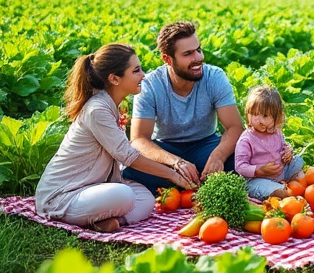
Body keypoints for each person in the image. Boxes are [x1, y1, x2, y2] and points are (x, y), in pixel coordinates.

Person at [35, 43, 194, 231]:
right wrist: (172, 174)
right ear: (114, 79)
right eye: (136, 71)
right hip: (62, 196)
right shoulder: (97, 110)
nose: (143, 75)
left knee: (146, 199)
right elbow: (128, 157)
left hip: (94, 188)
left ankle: (105, 221)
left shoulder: (112, 105)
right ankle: (90, 216)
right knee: (124, 195)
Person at [123, 21, 244, 193]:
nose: (198, 58)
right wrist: (175, 162)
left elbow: (234, 127)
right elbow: (139, 139)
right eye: (188, 54)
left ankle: (178, 186)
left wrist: (218, 157)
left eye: (199, 50)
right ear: (167, 59)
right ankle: (188, 182)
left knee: (240, 158)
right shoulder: (150, 84)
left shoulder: (215, 77)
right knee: (133, 168)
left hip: (206, 145)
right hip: (165, 149)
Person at [235, 85, 304, 200]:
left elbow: (282, 147)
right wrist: (259, 170)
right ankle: (281, 190)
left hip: (280, 172)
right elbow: (240, 166)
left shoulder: (276, 132)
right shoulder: (246, 140)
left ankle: (301, 185)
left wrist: (288, 153)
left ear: (276, 117)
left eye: (265, 116)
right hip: (257, 179)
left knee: (297, 162)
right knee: (279, 193)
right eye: (254, 114)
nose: (258, 120)